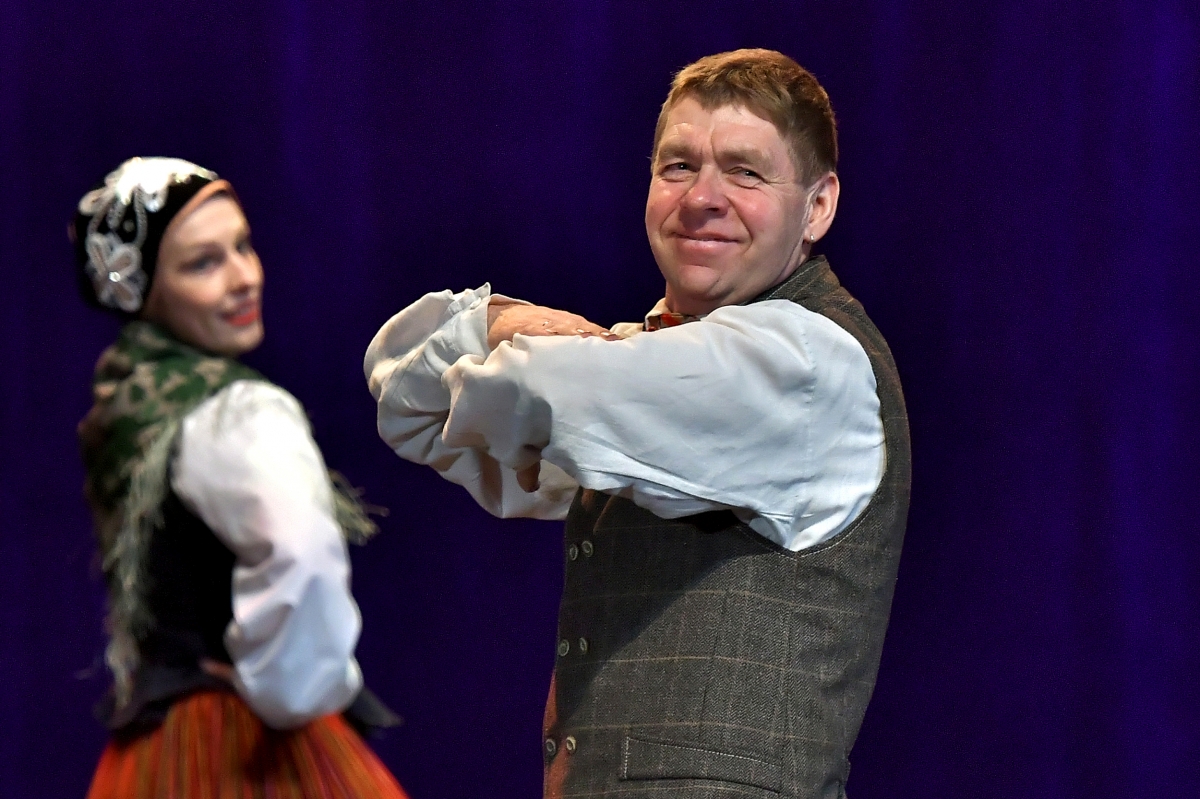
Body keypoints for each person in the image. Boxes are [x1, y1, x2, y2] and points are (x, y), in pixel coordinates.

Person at [366, 49, 910, 798]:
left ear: (817, 206)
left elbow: (529, 387)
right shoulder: (653, 363)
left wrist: (511, 332)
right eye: (678, 166)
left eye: (746, 172)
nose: (702, 198)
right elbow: (407, 400)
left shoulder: (806, 360)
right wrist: (518, 327)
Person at [72, 157, 408, 798]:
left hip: (158, 744)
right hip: (245, 747)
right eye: (203, 263)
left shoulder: (126, 399)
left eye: (243, 246)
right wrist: (293, 689)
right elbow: (301, 554)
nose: (244, 277)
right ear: (143, 289)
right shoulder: (234, 412)